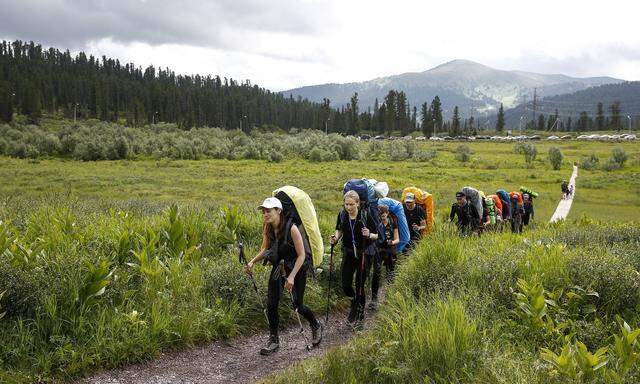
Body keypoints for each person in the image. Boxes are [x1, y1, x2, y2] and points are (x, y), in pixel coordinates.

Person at [245, 197, 322, 355]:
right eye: (264, 211)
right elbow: (266, 248)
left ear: (278, 211)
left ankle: (315, 324)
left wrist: (292, 277)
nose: (265, 214)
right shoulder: (267, 228)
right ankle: (274, 340)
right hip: (278, 268)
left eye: (269, 211)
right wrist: (252, 262)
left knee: (298, 306)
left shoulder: (292, 228)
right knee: (272, 303)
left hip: (296, 268)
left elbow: (301, 256)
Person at [330, 190, 378, 324]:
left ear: (358, 204)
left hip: (364, 253)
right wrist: (336, 238)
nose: (349, 207)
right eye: (346, 204)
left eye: (351, 204)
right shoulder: (342, 214)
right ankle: (354, 304)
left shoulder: (366, 215)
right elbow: (339, 229)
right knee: (345, 283)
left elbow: (377, 236)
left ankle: (360, 313)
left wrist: (369, 234)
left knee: (359, 285)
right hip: (349, 252)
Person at [367, 205, 399, 310]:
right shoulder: (376, 223)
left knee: (390, 273)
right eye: (380, 215)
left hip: (390, 250)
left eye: (384, 215)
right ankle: (374, 299)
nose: (382, 217)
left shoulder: (393, 222)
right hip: (378, 250)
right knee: (377, 272)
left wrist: (392, 242)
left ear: (387, 213)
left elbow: (397, 239)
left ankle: (390, 297)